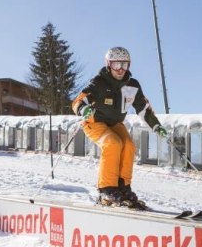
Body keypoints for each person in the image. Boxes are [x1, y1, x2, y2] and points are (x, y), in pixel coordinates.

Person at [71, 46, 166, 209]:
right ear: (109, 65)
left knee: (128, 146)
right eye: (116, 65)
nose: (121, 69)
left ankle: (123, 188)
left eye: (124, 64)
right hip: (94, 122)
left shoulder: (132, 85)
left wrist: (156, 125)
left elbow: (143, 108)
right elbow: (78, 100)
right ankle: (106, 189)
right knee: (113, 144)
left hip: (115, 123)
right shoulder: (99, 82)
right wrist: (82, 109)